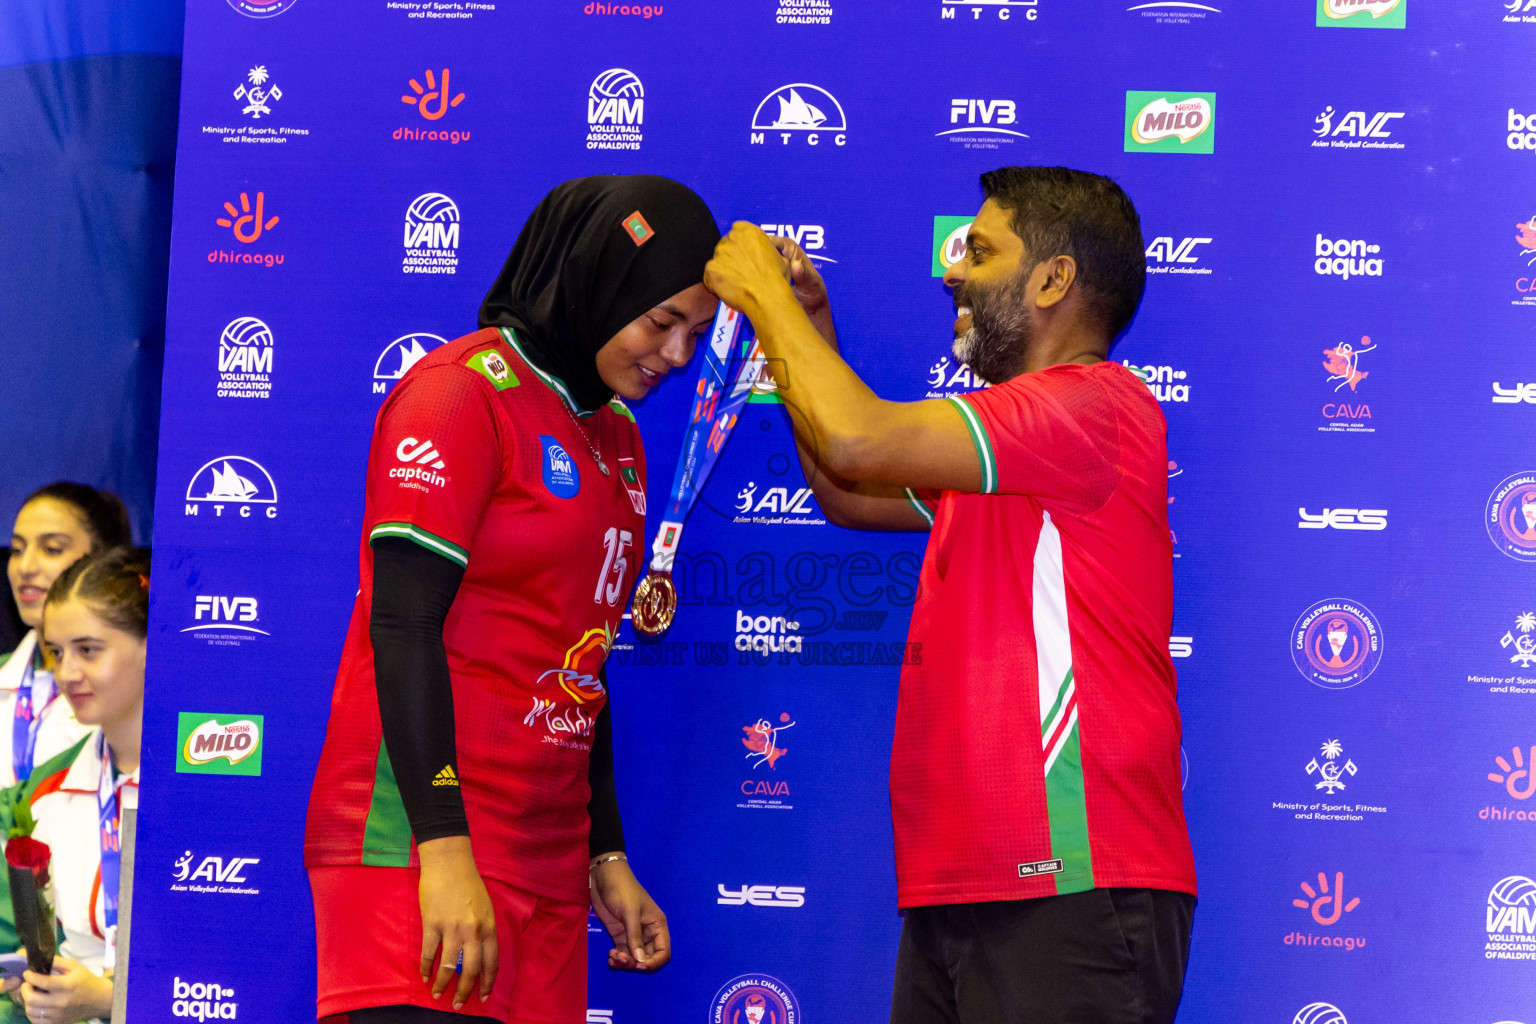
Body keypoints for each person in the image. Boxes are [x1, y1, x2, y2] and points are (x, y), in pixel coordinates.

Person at [703, 166, 1197, 1024]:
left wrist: (764, 299)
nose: (951, 270)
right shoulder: (1010, 449)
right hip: (965, 879)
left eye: (979, 249)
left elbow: (858, 438)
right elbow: (848, 489)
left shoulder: (1088, 406)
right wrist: (805, 324)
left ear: (1054, 279)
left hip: (1071, 876)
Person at [305, 175, 721, 1024]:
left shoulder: (618, 437)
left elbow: (583, 664)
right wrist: (445, 854)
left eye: (697, 331)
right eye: (661, 321)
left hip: (548, 863)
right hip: (419, 846)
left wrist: (605, 854)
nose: (676, 355)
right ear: (597, 283)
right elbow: (403, 625)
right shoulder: (460, 394)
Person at [4, 546, 149, 1024]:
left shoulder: (210, 790)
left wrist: (112, 1000)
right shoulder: (46, 788)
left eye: (88, 650)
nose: (66, 673)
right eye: (57, 651)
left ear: (155, 644)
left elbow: (234, 970)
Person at [4, 484, 129, 790]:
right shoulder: (7, 673)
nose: (26, 567)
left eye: (52, 549)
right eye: (17, 549)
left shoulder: (135, 688)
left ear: (102, 562)